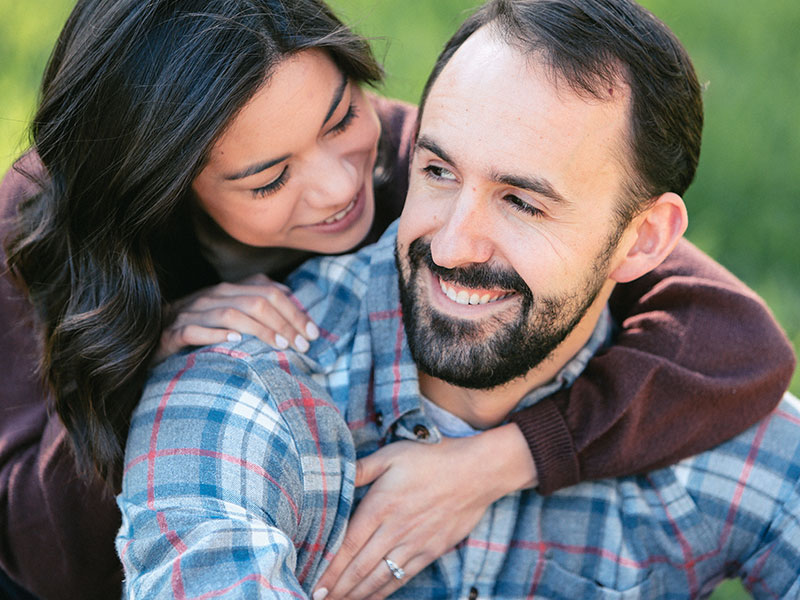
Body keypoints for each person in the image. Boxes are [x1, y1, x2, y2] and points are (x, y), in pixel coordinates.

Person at [0, 0, 794, 598]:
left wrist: (497, 462)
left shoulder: (425, 152)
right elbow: (44, 544)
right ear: (163, 192)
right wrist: (139, 350)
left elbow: (740, 341)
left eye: (343, 117)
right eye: (270, 178)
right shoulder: (53, 239)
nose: (344, 185)